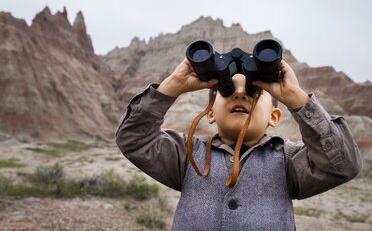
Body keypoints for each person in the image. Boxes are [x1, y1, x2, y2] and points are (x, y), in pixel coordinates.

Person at [115, 58, 362, 230]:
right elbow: (133, 139)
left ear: (274, 118)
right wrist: (173, 86)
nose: (240, 94)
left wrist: (296, 99)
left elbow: (343, 166)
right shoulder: (187, 154)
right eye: (227, 90)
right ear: (210, 113)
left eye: (254, 92)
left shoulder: (289, 160)